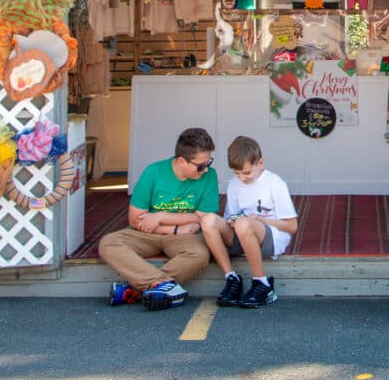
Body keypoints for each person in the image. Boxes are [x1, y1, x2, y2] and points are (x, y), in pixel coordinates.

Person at [99, 127, 219, 311]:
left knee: (200, 255)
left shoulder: (210, 176)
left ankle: (135, 290)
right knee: (108, 243)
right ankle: (160, 285)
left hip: (184, 237)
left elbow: (202, 217)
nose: (206, 169)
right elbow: (135, 220)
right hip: (151, 233)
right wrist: (175, 228)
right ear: (181, 160)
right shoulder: (153, 172)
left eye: (208, 162)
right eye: (200, 165)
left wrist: (160, 216)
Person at [200, 136, 298, 308]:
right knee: (208, 220)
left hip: (271, 238)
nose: (242, 178)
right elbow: (231, 216)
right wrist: (231, 221)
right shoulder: (234, 184)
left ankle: (262, 283)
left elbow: (291, 226)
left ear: (260, 163)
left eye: (246, 173)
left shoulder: (274, 183)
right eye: (237, 173)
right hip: (241, 233)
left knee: (243, 224)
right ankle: (231, 278)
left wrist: (259, 220)